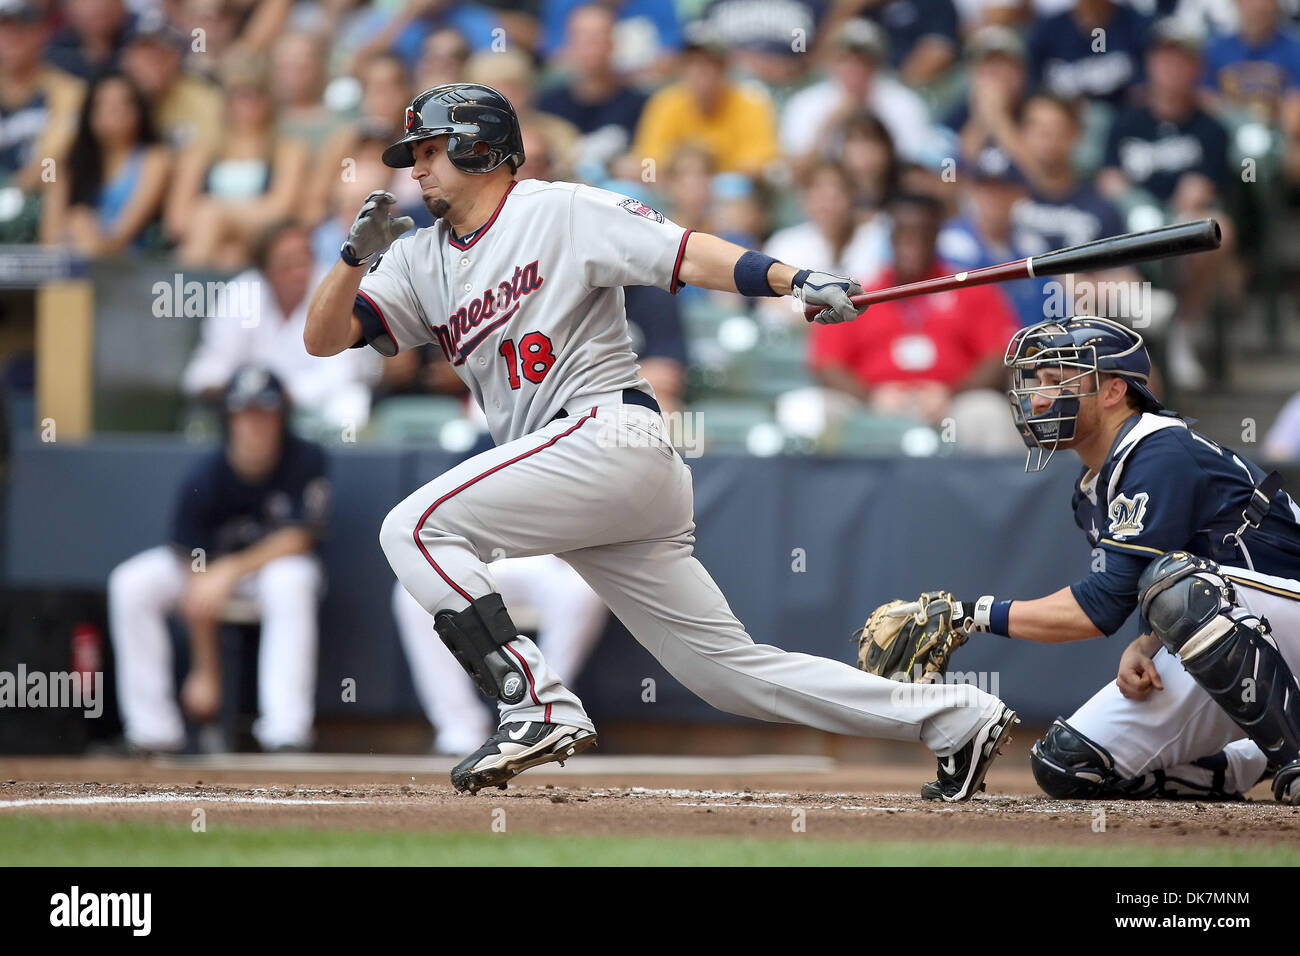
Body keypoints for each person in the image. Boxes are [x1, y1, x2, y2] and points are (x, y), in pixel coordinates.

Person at [304, 82, 1017, 800]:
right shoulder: (418, 257)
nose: (416, 169)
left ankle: (536, 702)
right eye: (414, 155)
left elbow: (687, 253)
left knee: (413, 528)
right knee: (730, 675)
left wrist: (793, 277)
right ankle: (955, 716)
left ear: (480, 148)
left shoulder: (560, 209)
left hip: (608, 434)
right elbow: (324, 338)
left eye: (431, 150)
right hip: (582, 481)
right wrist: (347, 260)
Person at [918, 316, 1300, 805]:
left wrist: (970, 615)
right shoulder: (1093, 491)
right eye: (1036, 383)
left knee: (1177, 592)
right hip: (1253, 642)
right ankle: (1252, 758)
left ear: (1114, 390)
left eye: (1057, 382)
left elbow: (1099, 607)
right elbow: (1168, 583)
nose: (1037, 398)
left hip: (1287, 608)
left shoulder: (1161, 448)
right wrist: (1148, 640)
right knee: (1066, 765)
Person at [107, 367, 329, 753]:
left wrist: (231, 568)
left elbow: (300, 536)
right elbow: (197, 578)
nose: (255, 424)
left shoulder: (306, 458)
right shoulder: (205, 476)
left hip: (264, 571)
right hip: (204, 574)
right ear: (229, 419)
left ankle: (286, 732)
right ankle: (152, 730)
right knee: (132, 582)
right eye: (245, 414)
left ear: (281, 418)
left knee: (291, 579)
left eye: (265, 413)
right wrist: (205, 669)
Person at [809, 191, 1023, 451]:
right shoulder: (855, 294)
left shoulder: (973, 288)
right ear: (890, 237)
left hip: (952, 405)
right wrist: (872, 397)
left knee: (990, 413)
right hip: (872, 406)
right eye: (904, 233)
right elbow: (827, 364)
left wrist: (951, 393)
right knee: (814, 412)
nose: (913, 242)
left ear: (937, 235)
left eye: (923, 233)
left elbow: (998, 356)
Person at [1098, 18, 1235, 389]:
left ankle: (1184, 331)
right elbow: (1108, 178)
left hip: (1181, 223)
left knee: (1219, 226)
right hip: (1129, 226)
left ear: (1197, 67)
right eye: (1164, 58)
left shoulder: (1210, 126)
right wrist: (1133, 200)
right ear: (1150, 63)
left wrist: (1189, 200)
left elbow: (1206, 183)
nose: (1172, 68)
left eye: (1182, 59)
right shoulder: (1126, 121)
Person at [183, 220, 376, 430]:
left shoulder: (335, 289)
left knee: (350, 405)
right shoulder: (241, 293)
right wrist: (237, 389)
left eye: (304, 260)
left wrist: (281, 395)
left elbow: (342, 374)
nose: (298, 272)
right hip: (251, 408)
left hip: (316, 411)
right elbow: (211, 365)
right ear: (265, 270)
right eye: (286, 264)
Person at [166, 53, 309, 268]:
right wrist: (223, 227)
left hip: (261, 243)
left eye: (256, 93)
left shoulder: (288, 150)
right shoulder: (202, 151)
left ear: (270, 98)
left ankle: (180, 295)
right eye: (239, 94)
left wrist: (222, 215)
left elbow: (281, 211)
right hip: (213, 245)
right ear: (226, 100)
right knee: (227, 253)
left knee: (209, 215)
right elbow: (177, 221)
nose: (248, 102)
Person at [38, 71, 171, 256]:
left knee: (79, 221)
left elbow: (120, 238)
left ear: (138, 111)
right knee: (77, 219)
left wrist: (83, 229)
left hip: (128, 262)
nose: (111, 112)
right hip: (71, 257)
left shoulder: (155, 159)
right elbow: (48, 239)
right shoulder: (68, 162)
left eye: (121, 104)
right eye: (102, 104)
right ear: (89, 113)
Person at [780, 18, 934, 170]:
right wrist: (830, 124)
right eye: (844, 60)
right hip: (829, 191)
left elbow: (914, 169)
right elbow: (797, 173)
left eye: (863, 60)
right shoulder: (806, 103)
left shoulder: (905, 103)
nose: (854, 69)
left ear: (878, 64)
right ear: (831, 63)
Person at [632, 22, 780, 177]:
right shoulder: (666, 102)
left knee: (733, 186)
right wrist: (686, 169)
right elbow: (648, 161)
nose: (700, 72)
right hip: (674, 188)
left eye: (709, 64)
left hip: (728, 192)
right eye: (693, 63)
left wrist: (707, 169)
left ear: (724, 68)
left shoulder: (750, 103)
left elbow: (760, 163)